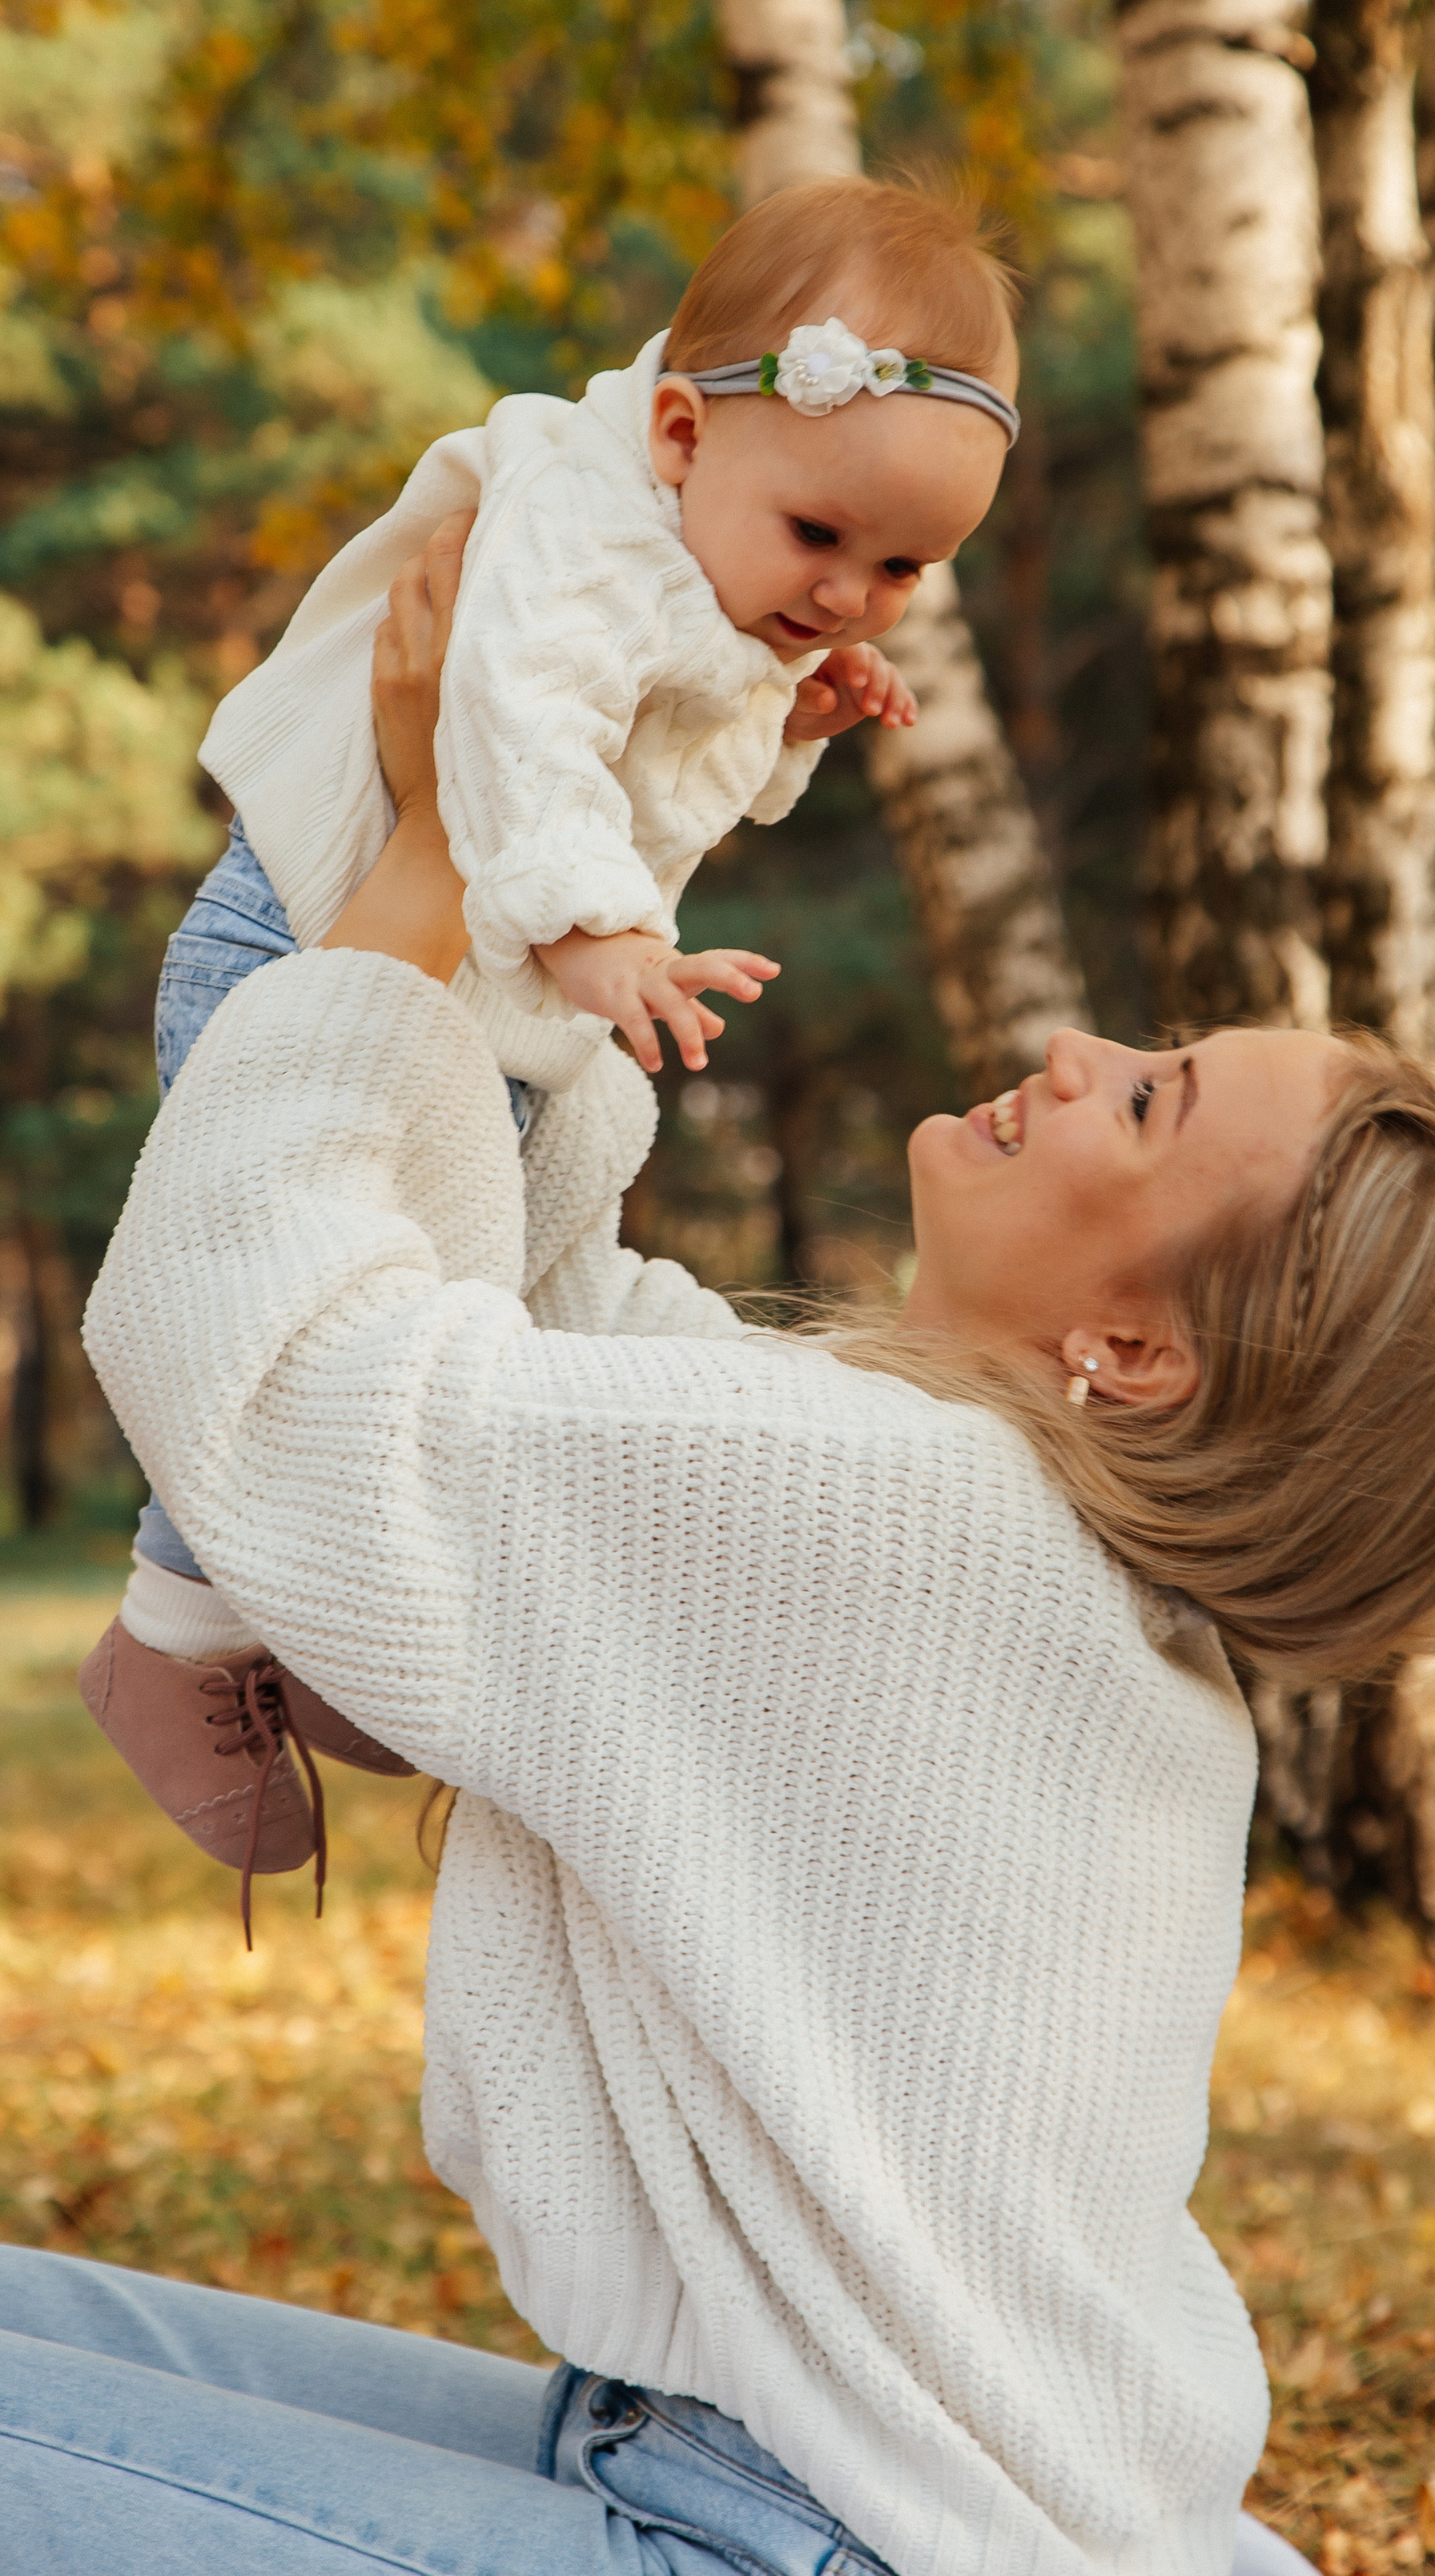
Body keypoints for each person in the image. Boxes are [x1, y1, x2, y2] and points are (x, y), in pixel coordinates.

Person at [0, 526, 1435, 2576]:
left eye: (1153, 1104)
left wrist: (399, 910)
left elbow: (277, 1379)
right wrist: (593, 846)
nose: (1082, 1056)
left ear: (1133, 1351)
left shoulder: (901, 1522)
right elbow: (553, 1318)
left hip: (811, 2549)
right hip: (801, 2485)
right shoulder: (962, 1525)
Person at [84, 175, 1023, 1915]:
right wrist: (596, 935)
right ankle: (172, 1636)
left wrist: (790, 724)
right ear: (677, 429)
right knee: (280, 1315)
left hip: (459, 988)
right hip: (308, 944)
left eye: (903, 569)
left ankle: (315, 1629)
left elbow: (659, 783)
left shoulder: (714, 546)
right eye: (824, 541)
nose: (852, 593)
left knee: (466, 1290)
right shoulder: (578, 529)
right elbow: (511, 716)